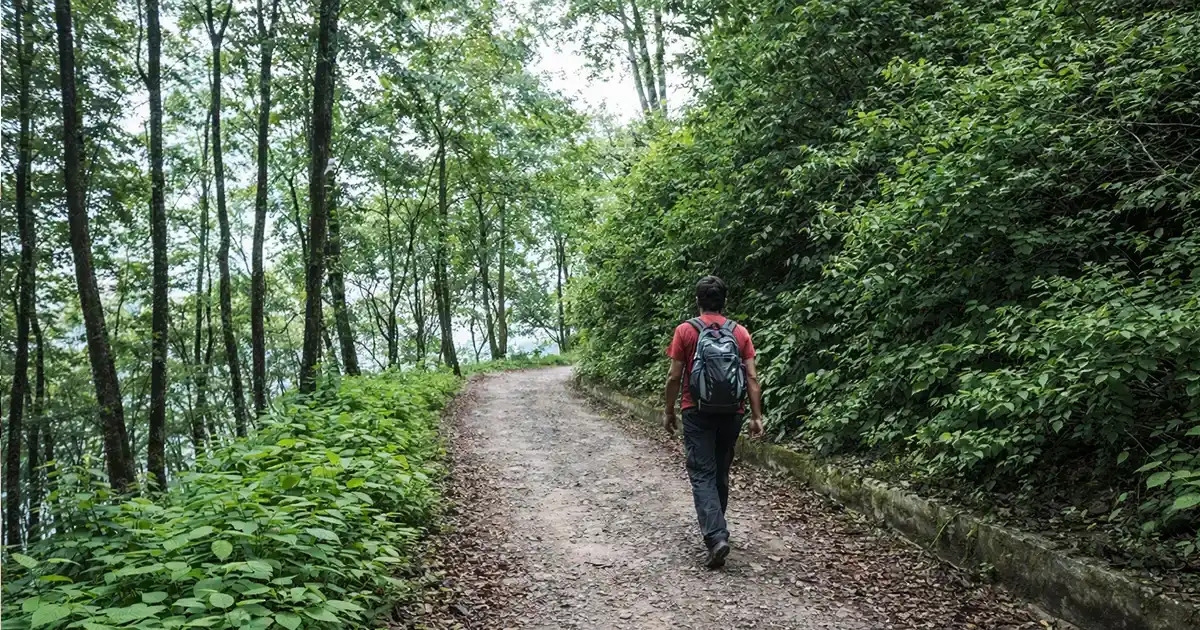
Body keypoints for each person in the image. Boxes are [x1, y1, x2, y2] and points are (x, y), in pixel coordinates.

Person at [663, 275, 764, 568]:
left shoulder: (685, 331)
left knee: (701, 472)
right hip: (733, 411)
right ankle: (717, 529)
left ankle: (716, 536)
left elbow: (674, 376)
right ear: (724, 301)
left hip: (696, 409)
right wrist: (757, 417)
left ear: (698, 301)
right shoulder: (740, 332)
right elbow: (752, 378)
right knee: (720, 470)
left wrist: (669, 411)